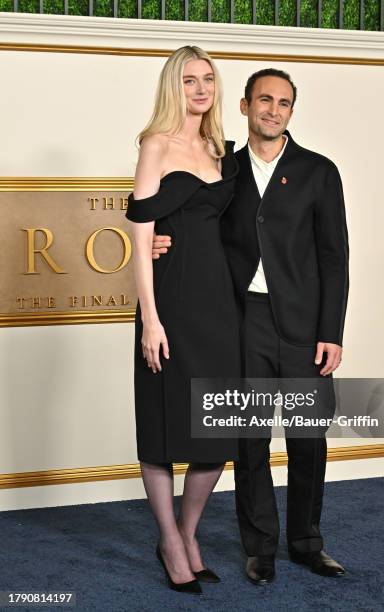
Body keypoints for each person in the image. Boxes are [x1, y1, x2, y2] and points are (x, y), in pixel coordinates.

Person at [153, 68, 350, 584]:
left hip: (306, 327)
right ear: (244, 106)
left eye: (284, 103)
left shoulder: (319, 172)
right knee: (250, 437)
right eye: (265, 100)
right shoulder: (224, 169)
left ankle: (307, 542)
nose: (274, 110)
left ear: (291, 111)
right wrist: (158, 241)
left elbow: (335, 257)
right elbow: (190, 221)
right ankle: (259, 547)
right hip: (241, 321)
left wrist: (332, 330)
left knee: (308, 437)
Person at [125, 45, 241, 594]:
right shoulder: (157, 144)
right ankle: (169, 540)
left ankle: (189, 532)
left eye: (208, 80)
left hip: (218, 305)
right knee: (163, 424)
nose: (201, 89)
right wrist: (150, 318)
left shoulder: (220, 149)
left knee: (215, 429)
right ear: (175, 86)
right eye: (190, 80)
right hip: (169, 303)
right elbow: (141, 235)